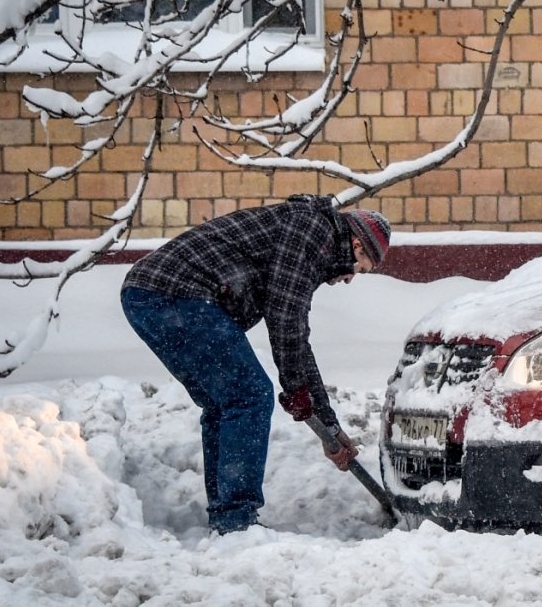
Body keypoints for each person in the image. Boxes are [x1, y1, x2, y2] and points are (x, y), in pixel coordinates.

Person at [120, 194, 391, 534]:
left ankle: (227, 516)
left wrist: (329, 425)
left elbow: (296, 337)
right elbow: (285, 318)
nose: (350, 278)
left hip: (148, 296)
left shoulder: (309, 233)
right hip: (176, 293)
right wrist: (296, 391)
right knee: (250, 396)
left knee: (226, 403)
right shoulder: (312, 231)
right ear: (356, 245)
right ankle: (236, 521)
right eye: (359, 269)